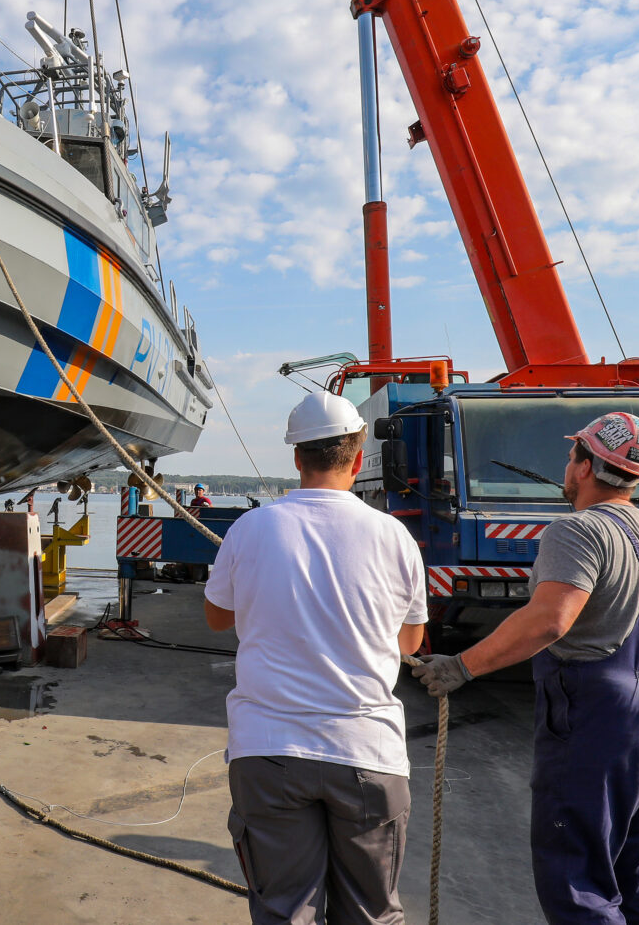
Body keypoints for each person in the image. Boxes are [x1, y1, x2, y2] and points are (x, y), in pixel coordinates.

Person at [412, 412, 639, 925]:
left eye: (572, 456)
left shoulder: (578, 531)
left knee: (578, 883)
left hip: (601, 721)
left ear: (586, 467)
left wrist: (461, 666)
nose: (567, 466)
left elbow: (549, 621)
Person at [204, 391, 428, 925]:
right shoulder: (394, 536)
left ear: (297, 459)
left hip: (269, 750)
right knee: (372, 914)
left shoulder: (251, 528)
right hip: (367, 755)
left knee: (284, 912)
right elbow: (411, 643)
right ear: (356, 459)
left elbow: (217, 618)